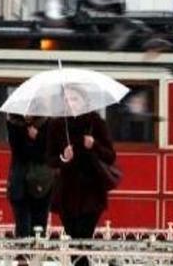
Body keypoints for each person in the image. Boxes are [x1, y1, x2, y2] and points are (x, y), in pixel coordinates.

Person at [47, 85, 116, 266]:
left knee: (84, 239)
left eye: (74, 99)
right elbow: (50, 159)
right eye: (67, 100)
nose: (70, 103)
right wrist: (63, 157)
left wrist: (94, 145)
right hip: (67, 192)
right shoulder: (57, 125)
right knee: (73, 239)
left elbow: (110, 156)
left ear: (84, 101)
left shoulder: (95, 122)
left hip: (92, 191)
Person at [6, 114, 51, 239]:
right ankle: (23, 256)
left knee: (39, 227)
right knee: (22, 228)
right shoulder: (13, 123)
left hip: (41, 183)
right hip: (19, 183)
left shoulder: (46, 122)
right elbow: (19, 152)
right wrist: (30, 137)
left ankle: (36, 257)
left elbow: (47, 153)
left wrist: (38, 137)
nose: (27, 114)